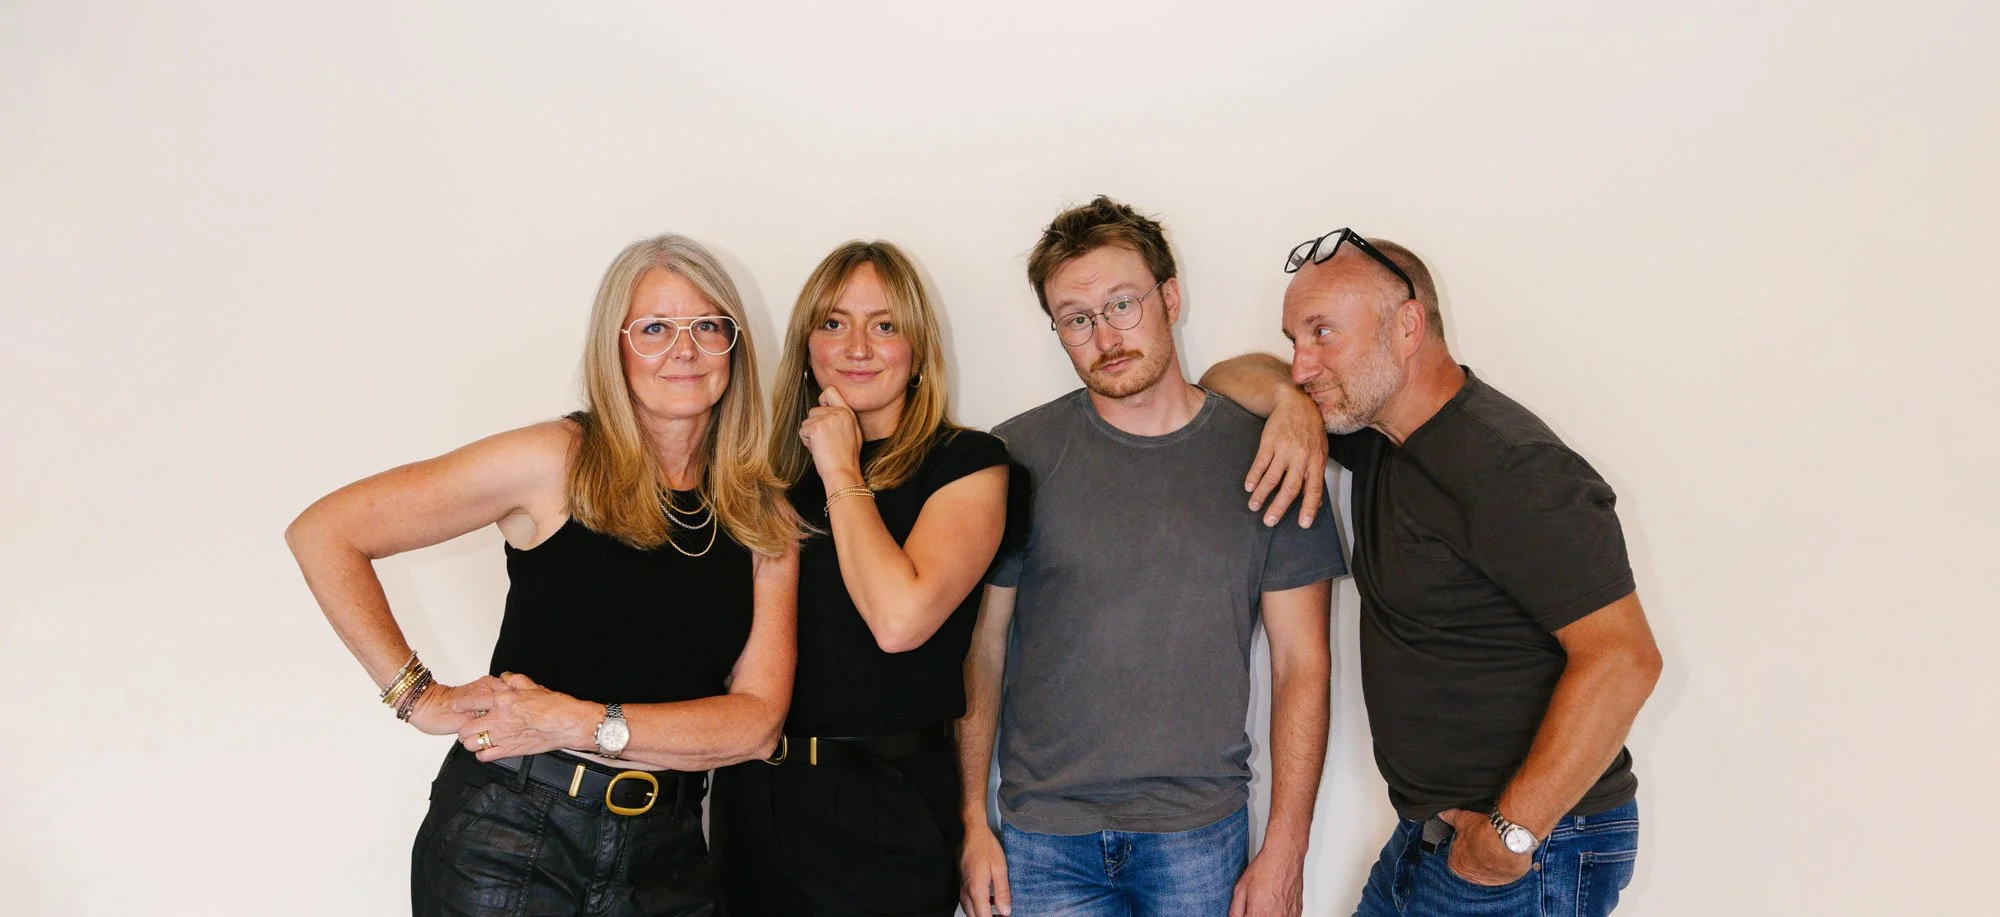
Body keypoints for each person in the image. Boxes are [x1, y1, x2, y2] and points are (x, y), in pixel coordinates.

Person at [285, 234, 800, 917]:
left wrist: (582, 721)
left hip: (668, 859)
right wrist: (421, 698)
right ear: (614, 348)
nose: (685, 349)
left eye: (708, 325)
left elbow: (755, 724)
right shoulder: (557, 461)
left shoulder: (761, 513)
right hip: (511, 836)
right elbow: (326, 531)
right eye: (654, 328)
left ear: (735, 346)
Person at [1202, 229, 1665, 916]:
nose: (1302, 363)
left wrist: (1509, 835)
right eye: (1295, 338)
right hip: (1434, 836)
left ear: (1409, 325)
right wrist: (1289, 404)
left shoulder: (1513, 467)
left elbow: (1625, 658)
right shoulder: (1381, 435)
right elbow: (1223, 378)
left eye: (1323, 333)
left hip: (1530, 848)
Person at [957, 196, 1345, 917]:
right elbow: (980, 649)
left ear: (1169, 297)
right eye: (1076, 318)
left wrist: (1286, 850)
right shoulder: (1014, 458)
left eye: (1122, 304)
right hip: (1043, 838)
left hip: (1198, 835)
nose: (1104, 334)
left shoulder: (1272, 454)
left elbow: (1303, 664)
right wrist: (971, 821)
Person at [710, 240, 1010, 916]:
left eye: (885, 324)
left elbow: (899, 620)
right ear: (807, 344)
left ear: (919, 349)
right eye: (833, 322)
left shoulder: (968, 464)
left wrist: (842, 469)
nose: (858, 347)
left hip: (891, 801)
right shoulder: (764, 477)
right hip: (759, 798)